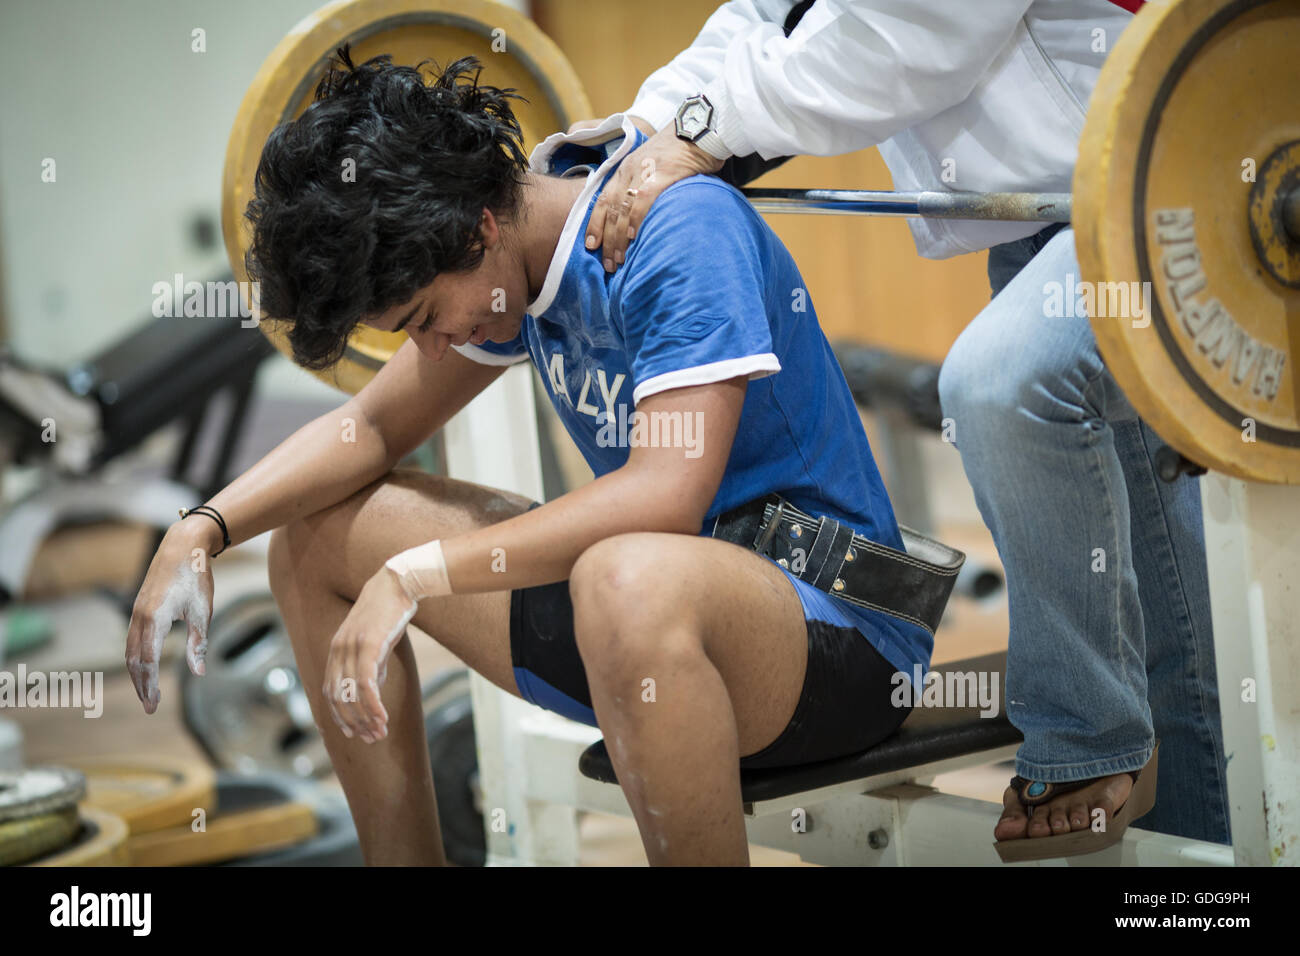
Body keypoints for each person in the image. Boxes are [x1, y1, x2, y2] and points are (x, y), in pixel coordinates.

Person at [124, 50, 957, 866]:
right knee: (316, 538)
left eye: (425, 316)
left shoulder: (675, 228)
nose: (434, 344)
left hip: (837, 638)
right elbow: (368, 431)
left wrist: (418, 573)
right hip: (643, 629)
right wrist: (201, 529)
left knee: (626, 572)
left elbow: (665, 496)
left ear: (480, 226)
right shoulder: (513, 273)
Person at [584, 0, 1229, 857]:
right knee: (1176, 616)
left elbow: (917, 30)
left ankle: (1086, 732)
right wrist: (642, 131)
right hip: (1044, 214)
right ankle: (1198, 899)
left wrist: (700, 133)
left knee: (1001, 384)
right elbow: (769, 12)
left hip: (1173, 174)